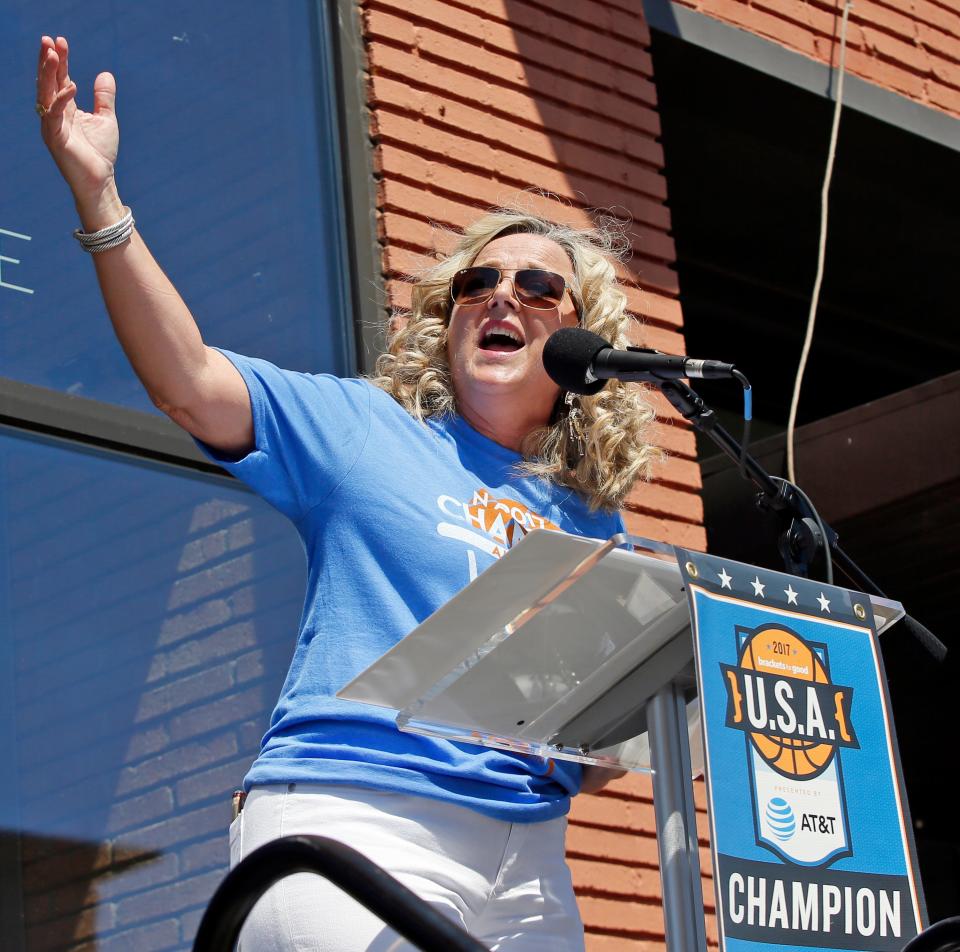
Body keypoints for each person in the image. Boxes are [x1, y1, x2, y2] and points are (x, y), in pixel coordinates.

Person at [36, 35, 660, 951]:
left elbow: (602, 738)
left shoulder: (591, 521)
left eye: (536, 288)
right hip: (359, 818)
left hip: (530, 860)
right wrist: (101, 199)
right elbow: (189, 381)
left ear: (582, 341)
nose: (501, 300)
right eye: (477, 284)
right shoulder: (364, 430)